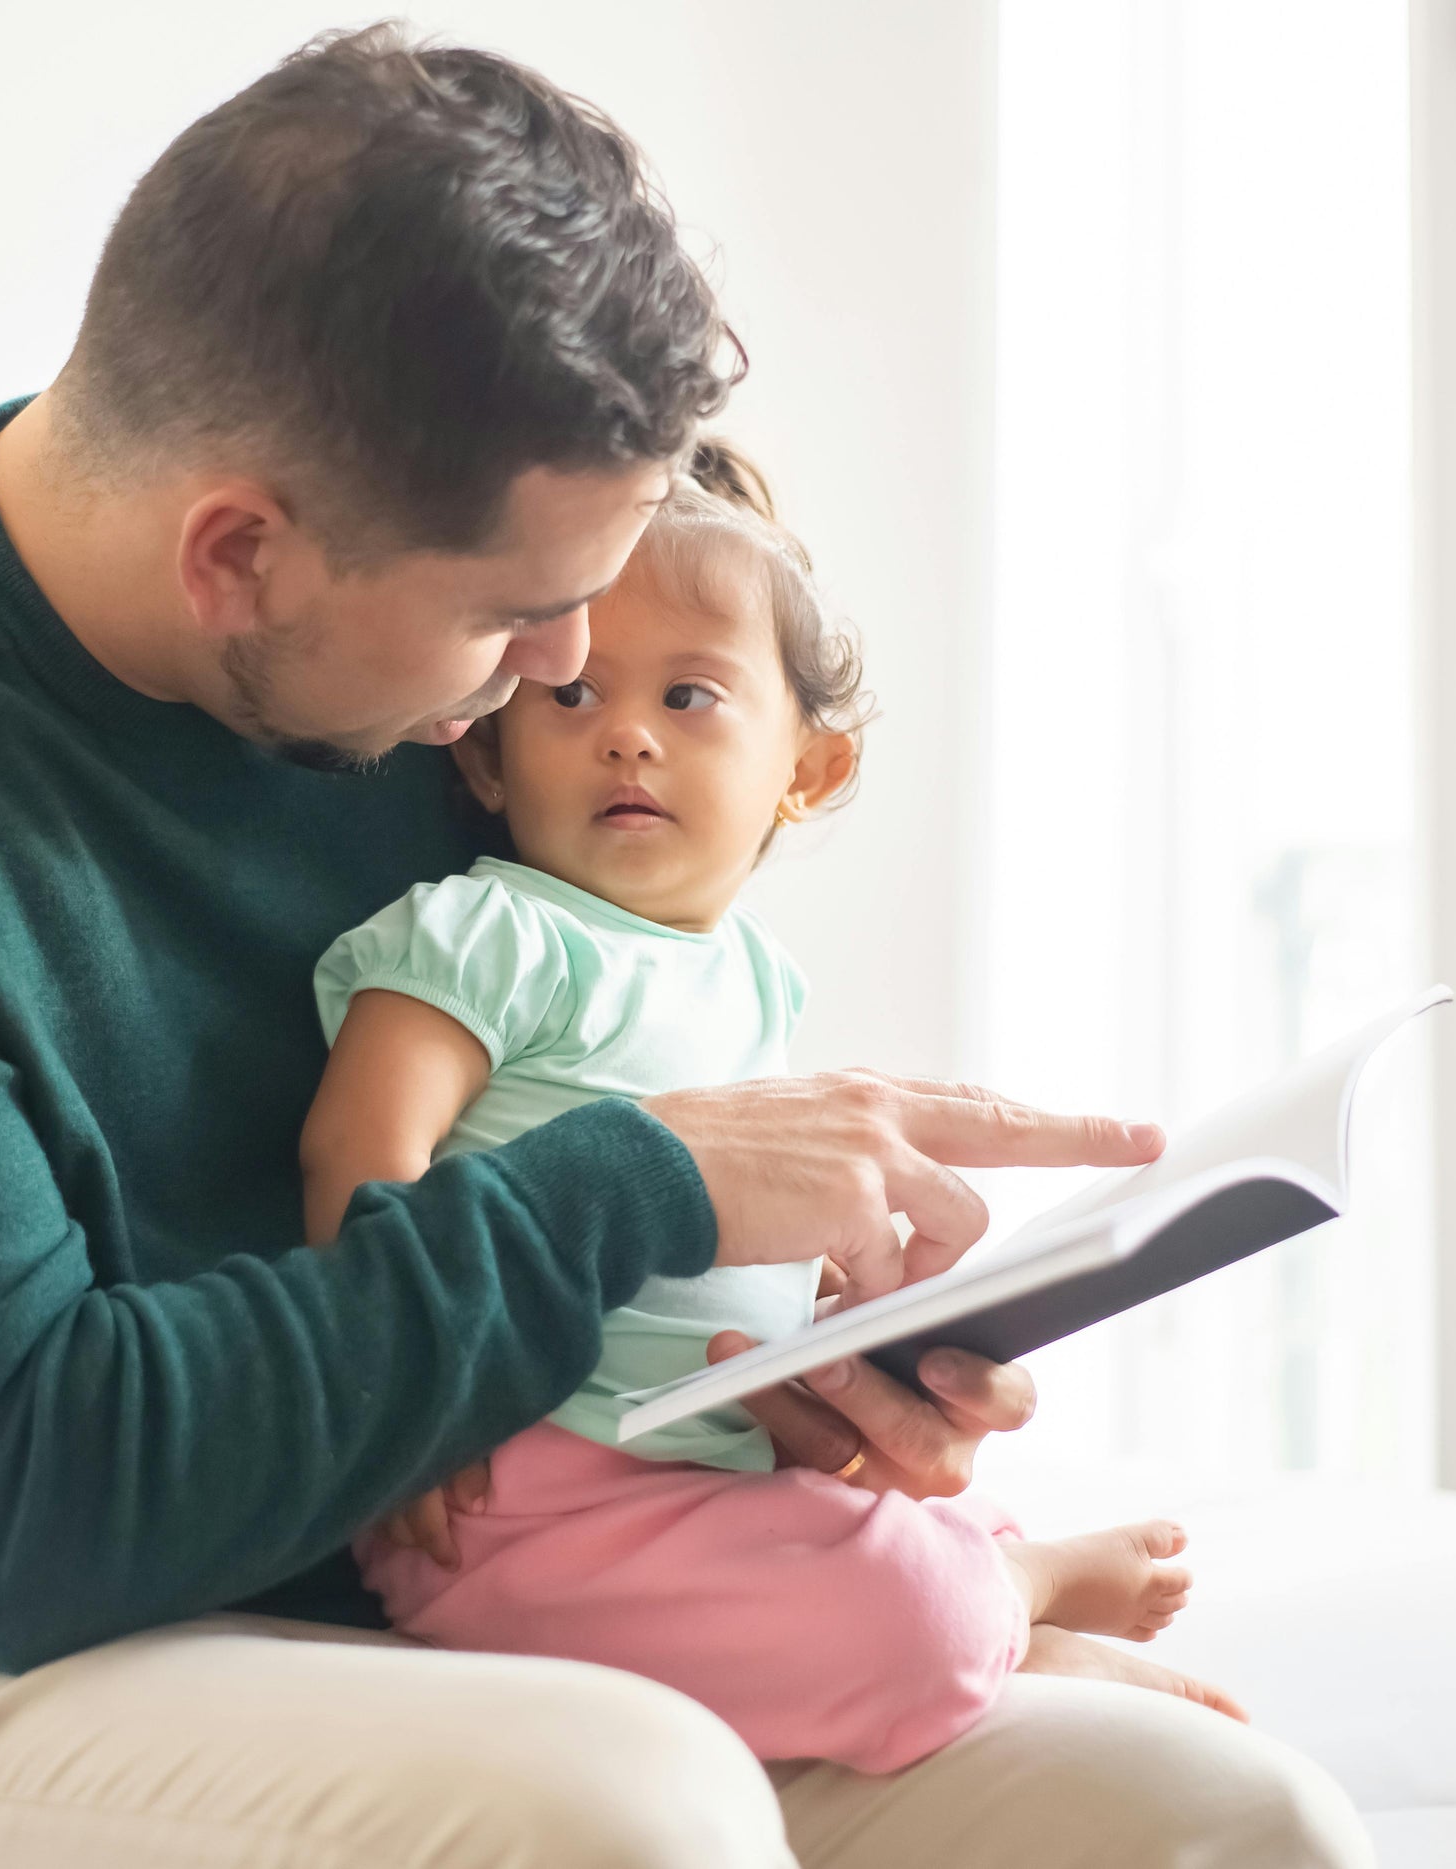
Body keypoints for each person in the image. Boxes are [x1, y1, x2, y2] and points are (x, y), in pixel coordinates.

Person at [0, 25, 1372, 1868]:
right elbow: (30, 1516)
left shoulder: (424, 696)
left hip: (484, 1598)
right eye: (516, 616)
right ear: (237, 556)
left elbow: (545, 1211)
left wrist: (779, 1366)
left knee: (1226, 1820)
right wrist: (628, 1200)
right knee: (620, 1815)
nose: (563, 679)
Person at [311, 441, 1250, 1773]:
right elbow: (360, 1147)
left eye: (690, 695)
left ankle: (992, 1592)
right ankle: (1009, 1606)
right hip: (514, 1493)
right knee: (903, 1610)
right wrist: (401, 1398)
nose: (626, 731)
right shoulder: (489, 934)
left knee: (852, 1533)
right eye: (572, 693)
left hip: (708, 1462)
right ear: (488, 764)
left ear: (806, 769)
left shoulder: (753, 983)